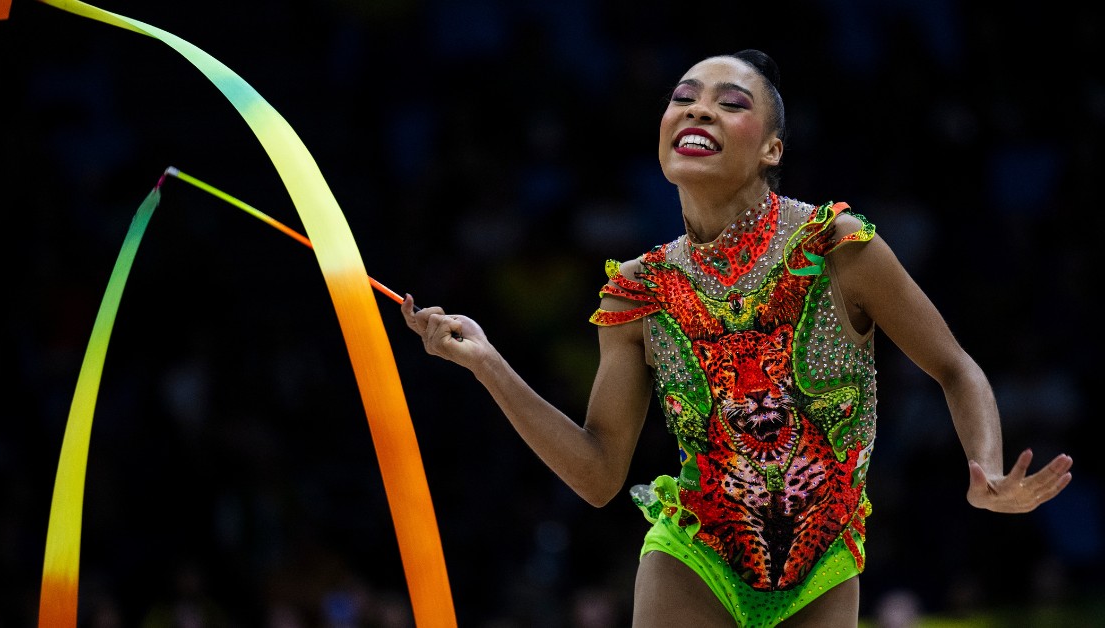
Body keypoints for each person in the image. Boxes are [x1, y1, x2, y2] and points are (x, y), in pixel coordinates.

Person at [400, 49, 1074, 627]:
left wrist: (984, 467)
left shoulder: (836, 248)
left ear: (772, 149)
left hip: (825, 564)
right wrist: (488, 364)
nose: (697, 111)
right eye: (683, 99)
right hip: (698, 554)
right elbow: (600, 473)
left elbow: (955, 367)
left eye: (729, 103)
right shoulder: (640, 292)